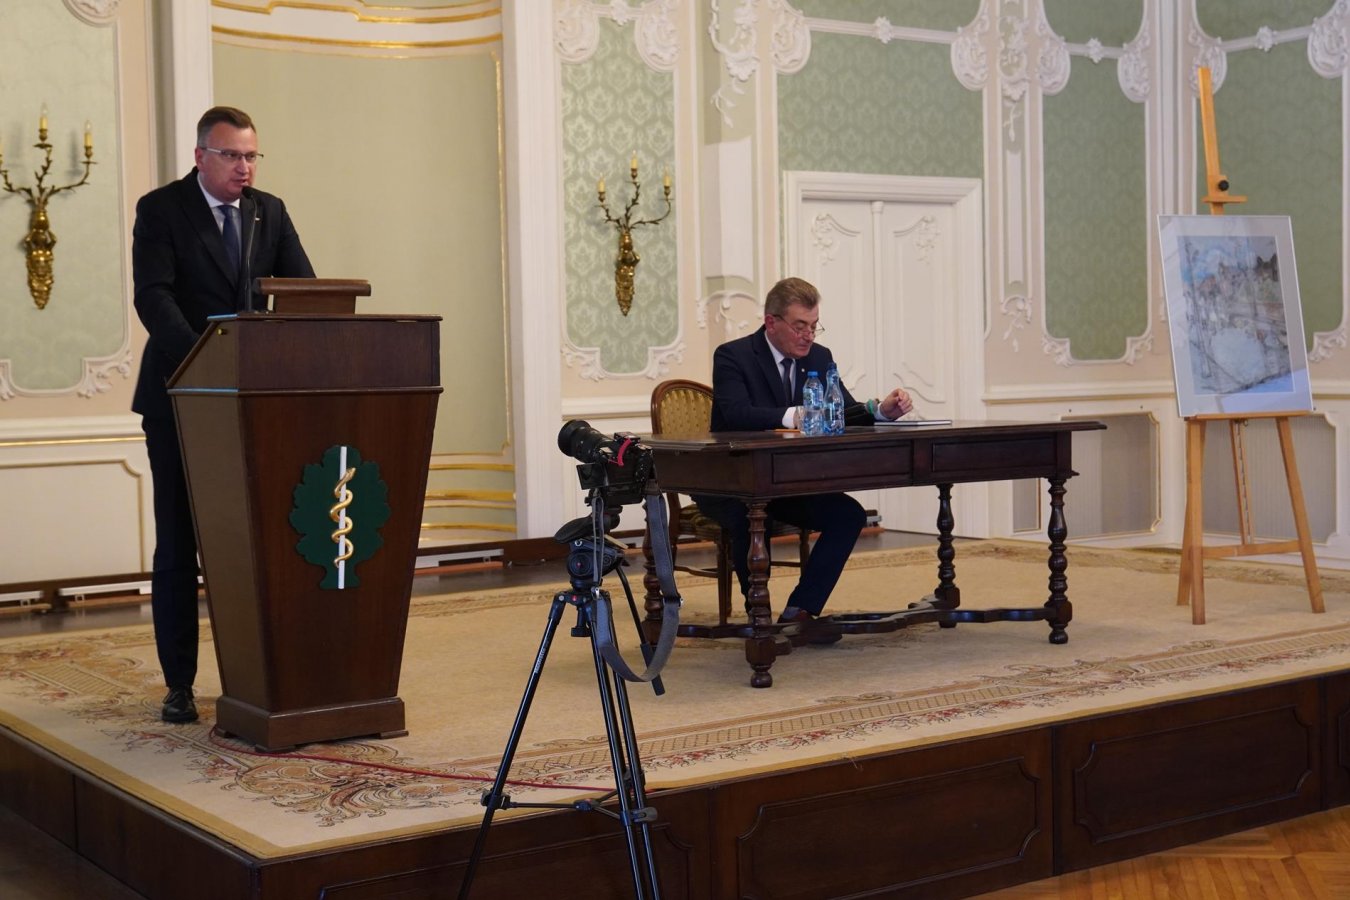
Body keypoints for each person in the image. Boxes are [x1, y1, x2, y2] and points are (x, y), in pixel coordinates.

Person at [131, 106, 315, 723]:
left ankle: (267, 677)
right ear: (200, 157)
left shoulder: (270, 212)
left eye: (251, 156)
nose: (244, 168)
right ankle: (179, 684)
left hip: (256, 402)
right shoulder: (162, 210)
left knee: (260, 541)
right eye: (232, 155)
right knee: (180, 540)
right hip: (180, 397)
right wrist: (205, 361)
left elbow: (305, 292)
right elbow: (153, 296)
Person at [695, 277, 914, 641]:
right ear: (771, 322)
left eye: (814, 326)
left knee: (848, 515)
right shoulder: (733, 356)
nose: (808, 336)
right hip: (729, 481)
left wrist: (881, 410)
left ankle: (800, 611)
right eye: (800, 326)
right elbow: (735, 414)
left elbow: (843, 411)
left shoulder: (819, 357)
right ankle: (759, 614)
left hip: (784, 480)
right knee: (752, 517)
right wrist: (793, 416)